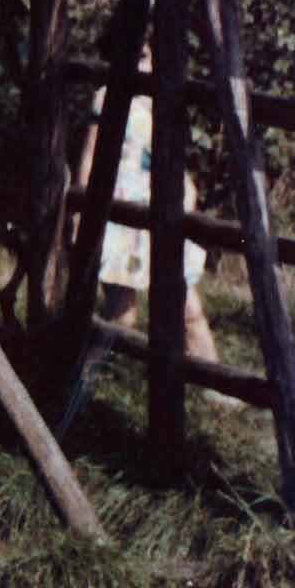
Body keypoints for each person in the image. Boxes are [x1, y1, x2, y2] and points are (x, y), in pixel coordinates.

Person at [83, 86, 230, 394]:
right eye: (142, 61)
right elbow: (90, 155)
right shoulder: (109, 96)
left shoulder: (164, 98)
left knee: (187, 306)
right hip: (122, 215)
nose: (147, 65)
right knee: (122, 311)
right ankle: (85, 380)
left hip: (161, 211)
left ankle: (215, 387)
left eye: (149, 60)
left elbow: (169, 156)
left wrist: (187, 189)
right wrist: (80, 215)